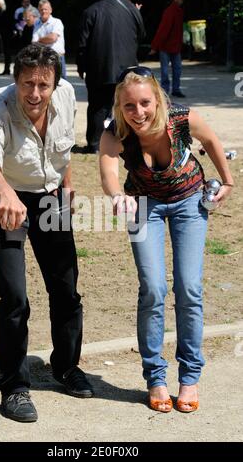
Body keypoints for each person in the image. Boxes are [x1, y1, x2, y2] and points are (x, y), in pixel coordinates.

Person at [0, 44, 94, 423]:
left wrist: (68, 188)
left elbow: (64, 149)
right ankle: (14, 387)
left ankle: (66, 367)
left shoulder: (67, 95)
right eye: (27, 84)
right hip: (2, 199)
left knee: (66, 289)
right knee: (14, 297)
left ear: (55, 82)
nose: (35, 93)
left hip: (50, 198)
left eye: (43, 84)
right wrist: (6, 194)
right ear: (15, 80)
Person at [99, 66, 234, 413]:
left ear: (157, 99)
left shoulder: (181, 118)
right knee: (153, 287)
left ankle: (190, 377)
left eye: (145, 103)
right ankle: (156, 377)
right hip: (144, 204)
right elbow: (109, 172)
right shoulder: (115, 132)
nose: (139, 112)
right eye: (130, 106)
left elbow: (211, 141)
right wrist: (117, 196)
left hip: (189, 201)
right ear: (120, 106)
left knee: (189, 287)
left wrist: (227, 180)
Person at [76, 0, 145, 154]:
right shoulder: (133, 10)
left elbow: (82, 44)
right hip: (128, 69)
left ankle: (94, 145)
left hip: (99, 68)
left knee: (98, 107)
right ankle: (128, 142)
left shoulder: (92, 10)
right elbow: (141, 36)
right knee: (128, 107)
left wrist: (81, 66)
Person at [150, 0, 186, 98]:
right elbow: (163, 30)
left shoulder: (178, 11)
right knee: (167, 70)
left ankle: (174, 89)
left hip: (174, 45)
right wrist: (155, 46)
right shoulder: (170, 11)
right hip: (166, 46)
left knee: (176, 69)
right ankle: (167, 90)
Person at [32, 0, 66, 79]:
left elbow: (53, 38)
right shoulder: (37, 23)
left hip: (57, 58)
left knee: (61, 84)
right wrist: (47, 38)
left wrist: (39, 40)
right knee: (45, 84)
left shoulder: (57, 22)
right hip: (42, 58)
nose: (43, 11)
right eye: (41, 9)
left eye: (45, 9)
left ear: (50, 10)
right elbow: (33, 42)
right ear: (38, 11)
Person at [0, 0, 14, 76]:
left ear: (1, 4)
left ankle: (7, 69)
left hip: (8, 36)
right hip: (3, 35)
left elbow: (10, 25)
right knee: (5, 53)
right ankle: (6, 69)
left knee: (7, 52)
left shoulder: (6, 12)